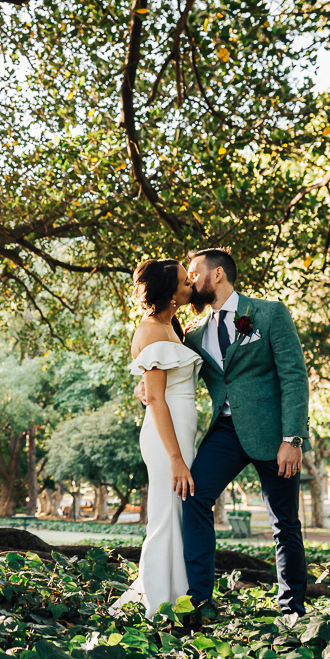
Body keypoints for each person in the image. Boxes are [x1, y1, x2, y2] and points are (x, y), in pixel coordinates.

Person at [139, 248, 310, 620]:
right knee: (195, 498)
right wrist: (145, 388)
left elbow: (294, 376)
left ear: (216, 275)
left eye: (194, 273)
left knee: (284, 522)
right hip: (225, 434)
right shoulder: (195, 336)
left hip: (274, 435)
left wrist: (292, 438)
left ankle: (291, 608)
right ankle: (199, 599)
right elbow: (165, 370)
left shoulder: (269, 313)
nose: (190, 281)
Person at [112, 258, 198, 619]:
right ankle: (156, 601)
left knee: (175, 514)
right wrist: (176, 458)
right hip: (167, 439)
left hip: (180, 429)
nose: (191, 285)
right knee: (164, 515)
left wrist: (140, 388)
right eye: (184, 282)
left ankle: (177, 594)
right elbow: (158, 398)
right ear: (170, 293)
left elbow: (152, 386)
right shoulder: (150, 331)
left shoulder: (170, 327)